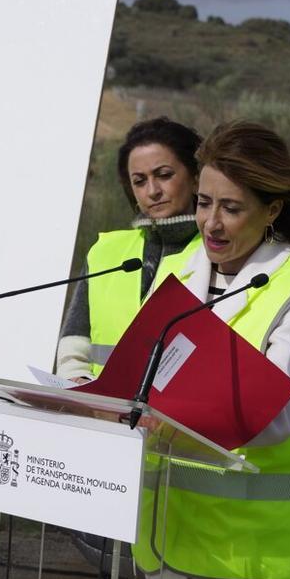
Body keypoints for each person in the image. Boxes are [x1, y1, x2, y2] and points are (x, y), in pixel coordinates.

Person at [132, 122, 290, 579]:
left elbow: (275, 418)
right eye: (205, 203)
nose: (211, 223)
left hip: (246, 553)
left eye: (231, 208)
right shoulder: (177, 271)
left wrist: (165, 415)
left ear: (272, 211)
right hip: (162, 536)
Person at [56, 117, 204, 382]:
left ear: (195, 178)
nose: (153, 191)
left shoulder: (219, 253)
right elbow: (74, 342)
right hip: (99, 413)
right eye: (139, 181)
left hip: (176, 419)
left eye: (164, 175)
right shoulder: (106, 251)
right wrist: (77, 383)